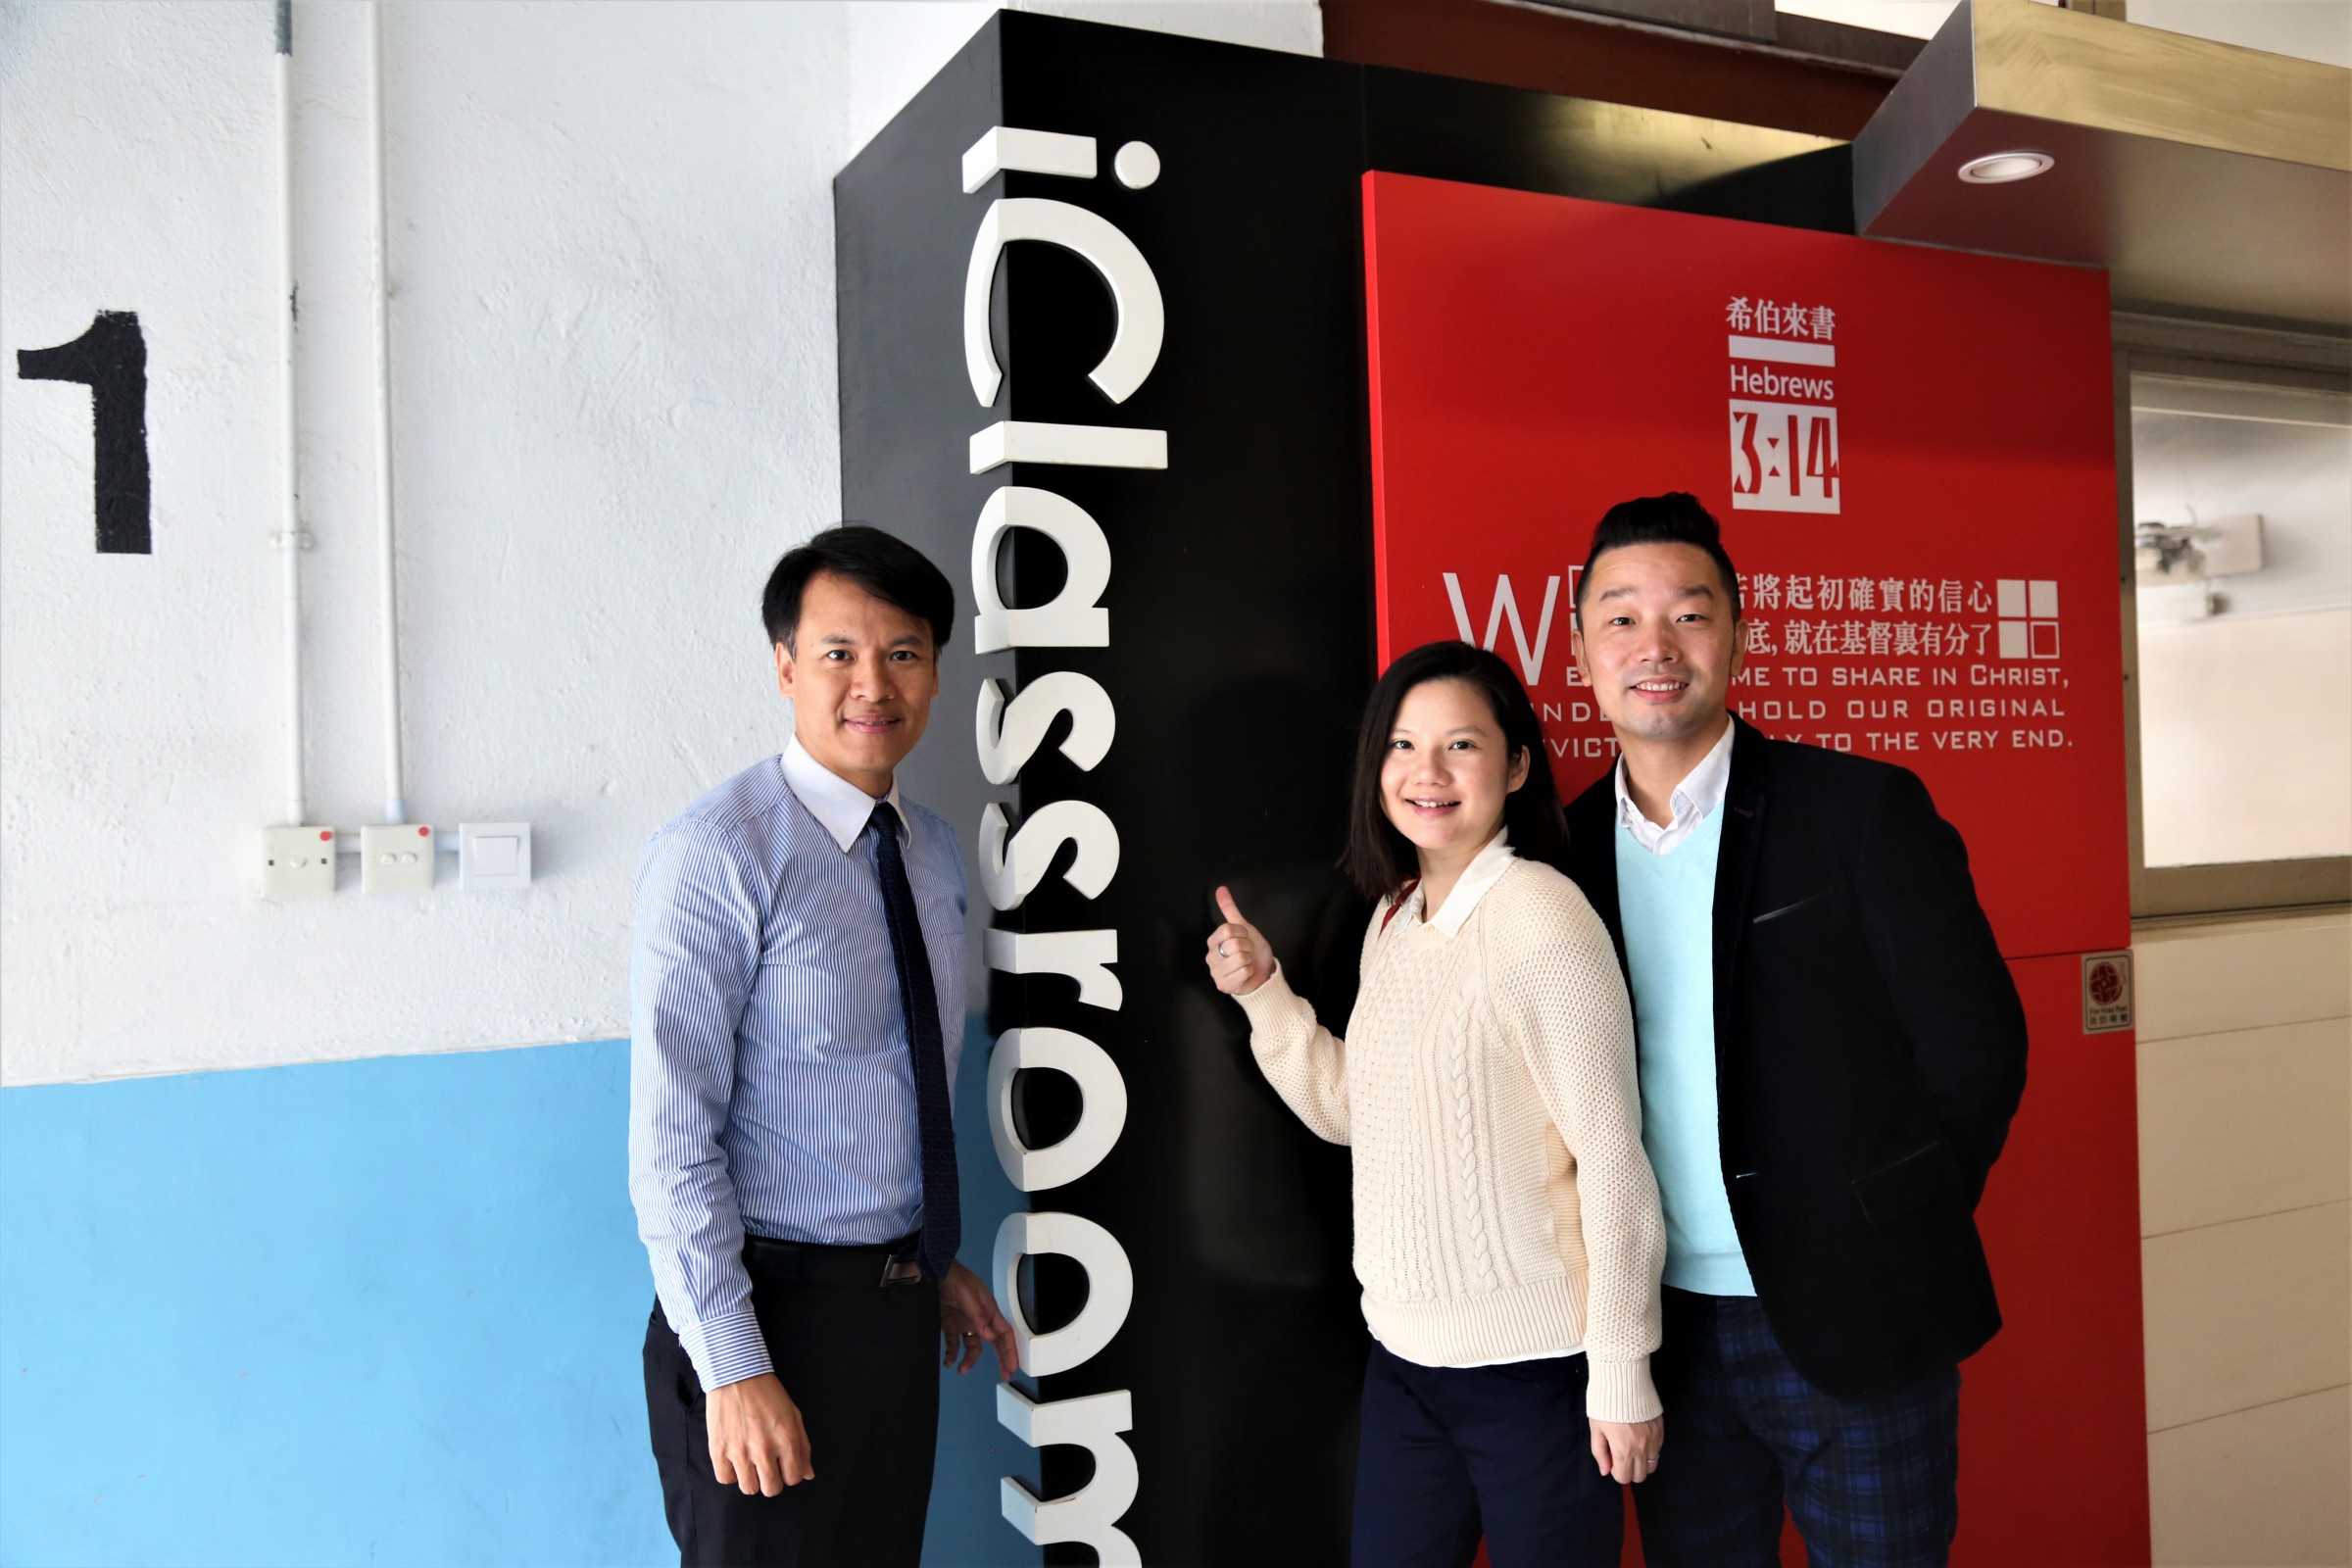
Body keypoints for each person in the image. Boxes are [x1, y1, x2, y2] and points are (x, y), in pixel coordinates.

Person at [1561, 493, 2029, 1566]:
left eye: (1689, 614)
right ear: (1582, 650)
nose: (1655, 646)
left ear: (1738, 635)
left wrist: (1891, 1224)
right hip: (1663, 1331)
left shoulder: (1858, 810)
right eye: (1621, 618)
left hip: (1857, 1310)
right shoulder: (1562, 854)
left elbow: (1975, 1047)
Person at [1205, 641, 1667, 1568]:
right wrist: (1266, 996)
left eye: (1461, 745)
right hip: (1406, 1366)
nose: (1428, 773)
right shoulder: (1395, 917)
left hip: (1536, 1376)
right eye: (1403, 746)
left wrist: (1622, 1368)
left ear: (1517, 766)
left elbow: (1613, 1158)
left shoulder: (1542, 917)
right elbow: (1356, 1115)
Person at [628, 524, 1017, 1568]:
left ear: (936, 672)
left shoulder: (931, 851)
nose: (872, 684)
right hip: (764, 1319)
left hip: (892, 1319)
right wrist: (734, 1367)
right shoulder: (716, 855)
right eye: (839, 652)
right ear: (786, 666)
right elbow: (671, 1147)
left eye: (903, 653)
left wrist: (924, 1261)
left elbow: (882, 1082)